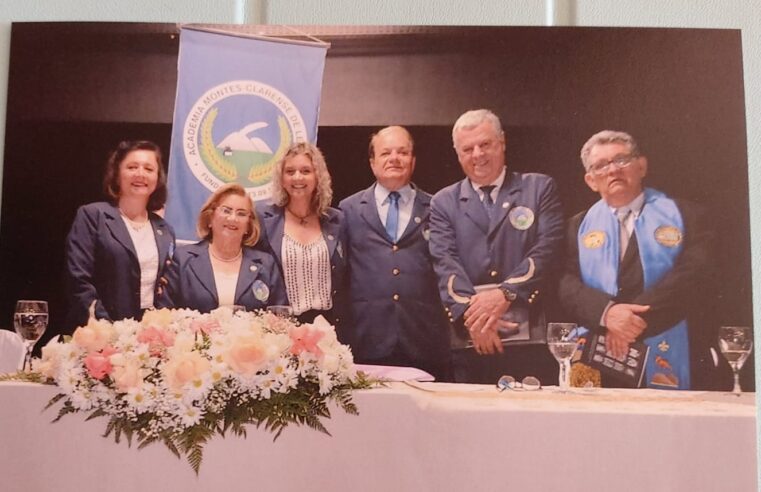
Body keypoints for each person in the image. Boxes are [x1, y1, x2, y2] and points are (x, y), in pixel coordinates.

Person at [558, 130, 714, 390]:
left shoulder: (687, 215)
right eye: (601, 165)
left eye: (621, 160)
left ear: (641, 166)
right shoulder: (576, 226)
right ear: (591, 180)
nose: (613, 170)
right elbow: (564, 282)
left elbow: (694, 274)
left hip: (669, 340)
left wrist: (629, 320)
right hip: (601, 353)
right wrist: (607, 314)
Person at [429, 109, 564, 383]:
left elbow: (547, 248)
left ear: (502, 143)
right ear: (458, 154)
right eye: (468, 148)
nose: (478, 154)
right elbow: (445, 263)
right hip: (473, 338)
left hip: (531, 338)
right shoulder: (443, 202)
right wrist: (477, 321)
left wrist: (505, 294)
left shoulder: (538, 188)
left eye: (485, 144)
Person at [339, 126, 450, 380]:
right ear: (372, 162)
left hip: (423, 339)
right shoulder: (349, 209)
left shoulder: (437, 206)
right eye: (385, 152)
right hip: (366, 340)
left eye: (403, 152)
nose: (394, 158)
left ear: (413, 159)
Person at [64, 140, 175, 332]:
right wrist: (109, 330)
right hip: (99, 333)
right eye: (132, 167)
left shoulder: (165, 230)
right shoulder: (93, 216)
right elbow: (78, 280)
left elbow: (166, 288)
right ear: (117, 174)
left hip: (148, 337)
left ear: (158, 178)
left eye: (149, 169)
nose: (140, 174)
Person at [257, 142, 347, 328]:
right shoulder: (264, 220)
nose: (297, 177)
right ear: (281, 179)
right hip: (282, 327)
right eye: (290, 172)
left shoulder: (336, 220)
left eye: (306, 171)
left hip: (329, 325)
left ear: (317, 177)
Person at [167, 184, 287, 312]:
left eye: (241, 214)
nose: (233, 218)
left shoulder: (266, 264)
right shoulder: (183, 259)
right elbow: (166, 312)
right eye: (226, 210)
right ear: (210, 218)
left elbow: (279, 315)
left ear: (248, 226)